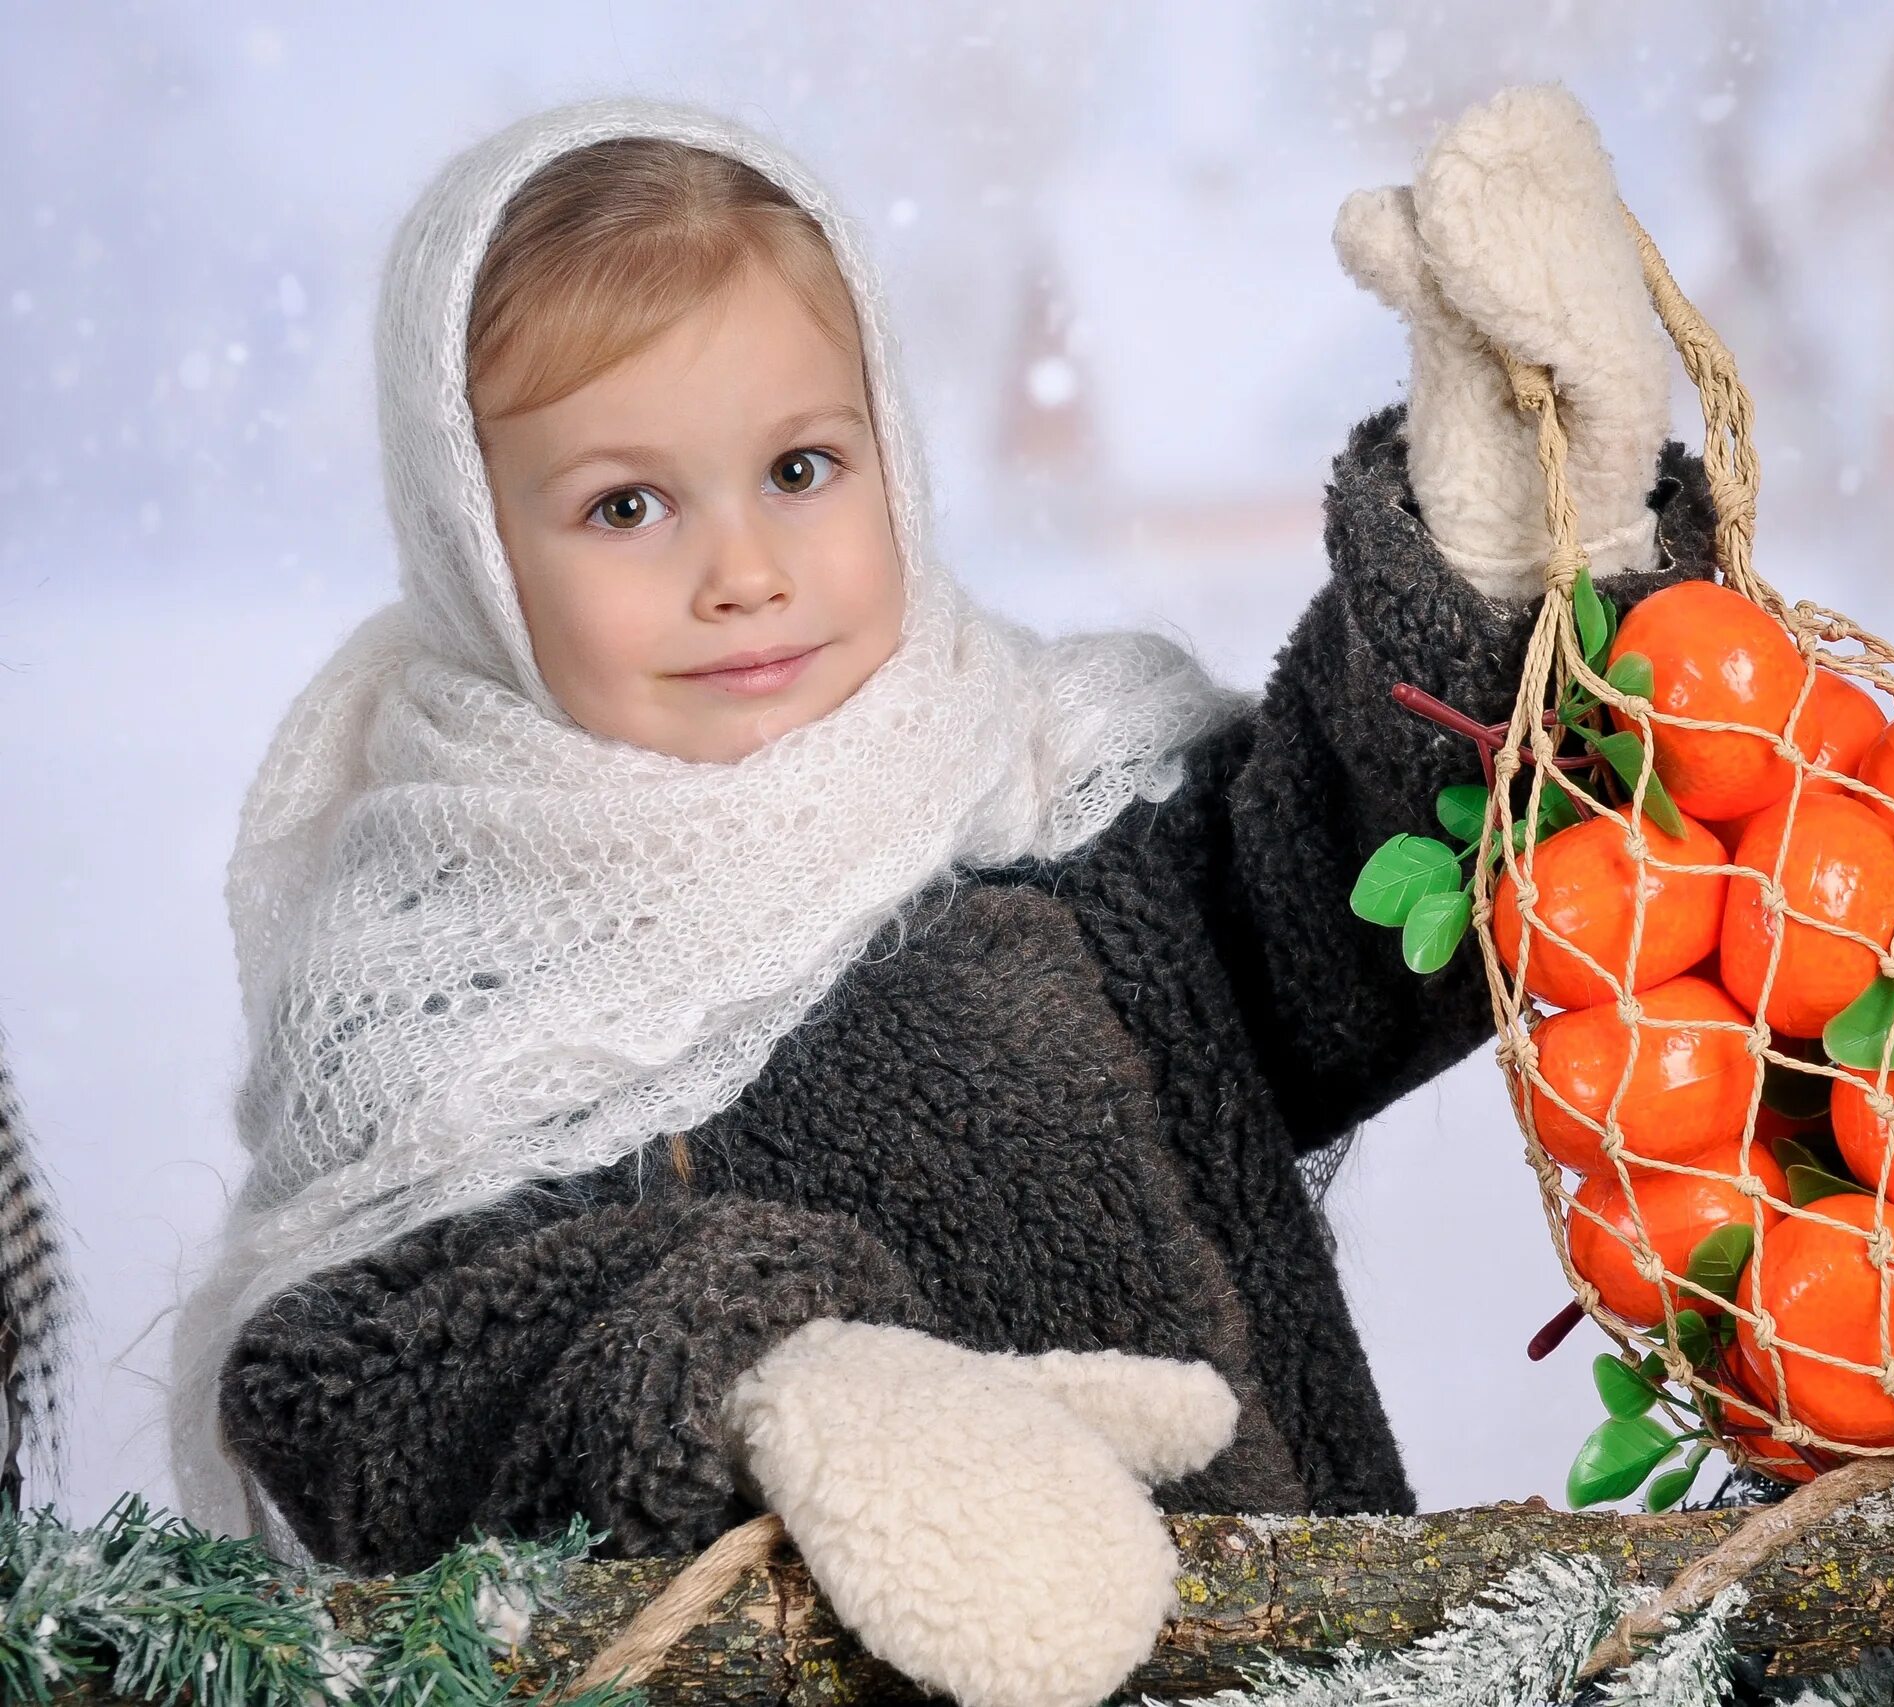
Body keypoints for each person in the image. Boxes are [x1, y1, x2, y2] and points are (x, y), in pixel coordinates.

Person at [167, 83, 1717, 1707]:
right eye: (627, 505)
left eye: (800, 466)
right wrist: (775, 1367)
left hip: (1303, 1657)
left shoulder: (1049, 789)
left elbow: (1348, 907)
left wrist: (1501, 548)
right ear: (475, 546)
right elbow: (375, 1374)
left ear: (889, 448)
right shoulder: (442, 973)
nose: (743, 569)